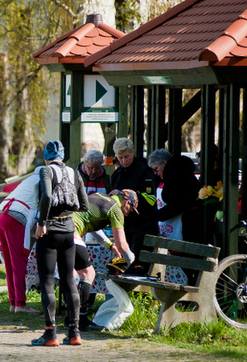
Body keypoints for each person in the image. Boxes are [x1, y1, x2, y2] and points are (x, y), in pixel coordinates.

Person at [31, 141, 88, 347]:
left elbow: (46, 195)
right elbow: (84, 204)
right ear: (62, 156)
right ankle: (74, 332)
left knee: (47, 280)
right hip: (69, 230)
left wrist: (42, 223)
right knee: (69, 281)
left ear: (46, 157)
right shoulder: (74, 172)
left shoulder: (47, 171)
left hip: (49, 230)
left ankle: (50, 334)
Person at [71, 190, 138, 331]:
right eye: (131, 209)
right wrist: (131, 259)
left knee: (71, 275)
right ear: (127, 202)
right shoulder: (116, 209)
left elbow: (91, 225)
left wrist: (109, 246)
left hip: (59, 225)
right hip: (71, 230)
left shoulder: (100, 198)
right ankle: (80, 319)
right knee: (88, 274)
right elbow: (122, 244)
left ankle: (70, 317)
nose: (128, 213)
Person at [0, 165, 44, 315]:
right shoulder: (44, 181)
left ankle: (13, 302)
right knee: (19, 263)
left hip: (2, 212)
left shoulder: (29, 180)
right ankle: (20, 304)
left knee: (10, 263)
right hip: (15, 216)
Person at [110, 137, 157, 268]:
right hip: (124, 225)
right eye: (120, 158)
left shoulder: (144, 171)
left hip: (142, 225)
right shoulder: (117, 174)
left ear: (133, 153)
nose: (124, 161)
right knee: (120, 265)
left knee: (137, 265)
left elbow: (151, 200)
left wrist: (123, 195)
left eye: (127, 156)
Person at [149, 149, 204, 245]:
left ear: (164, 163)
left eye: (156, 169)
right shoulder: (171, 177)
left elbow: (178, 204)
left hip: (185, 228)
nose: (155, 173)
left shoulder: (176, 176)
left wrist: (155, 216)